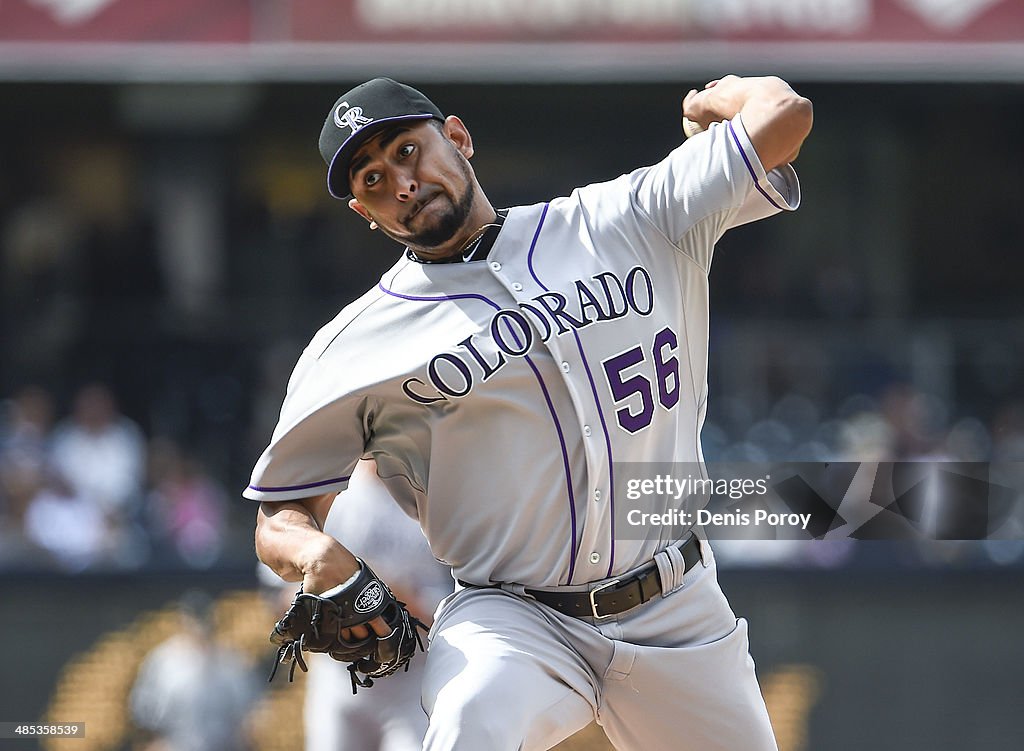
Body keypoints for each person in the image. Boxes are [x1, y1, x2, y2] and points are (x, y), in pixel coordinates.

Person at [248, 76, 812, 750]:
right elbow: (280, 514)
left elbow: (784, 115)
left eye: (407, 149)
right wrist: (314, 551)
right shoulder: (353, 347)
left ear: (458, 137)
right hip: (513, 620)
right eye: (371, 178)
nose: (399, 180)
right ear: (365, 214)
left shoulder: (623, 219)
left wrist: (716, 99)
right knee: (468, 720)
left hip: (675, 604)